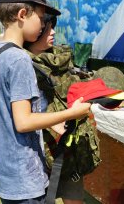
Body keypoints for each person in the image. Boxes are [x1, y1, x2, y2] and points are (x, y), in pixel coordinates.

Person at [0, 0, 91, 203]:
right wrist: (72, 113)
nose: (44, 25)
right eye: (41, 17)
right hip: (25, 175)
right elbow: (23, 122)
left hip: (5, 169)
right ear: (23, 15)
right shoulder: (20, 60)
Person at [25, 15, 93, 204]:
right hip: (38, 150)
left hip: (68, 147)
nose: (53, 32)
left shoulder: (62, 60)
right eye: (47, 29)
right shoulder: (22, 64)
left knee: (73, 196)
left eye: (53, 27)